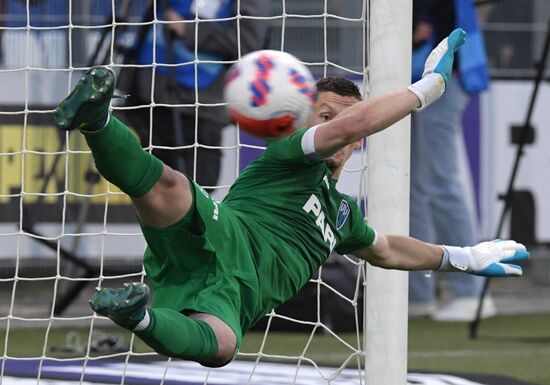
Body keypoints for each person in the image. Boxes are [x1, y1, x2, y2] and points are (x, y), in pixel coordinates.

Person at [53, 29, 528, 368]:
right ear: (301, 120)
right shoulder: (289, 156)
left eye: (342, 122)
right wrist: (429, 88)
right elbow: (352, 123)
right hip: (219, 232)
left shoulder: (343, 216)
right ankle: (96, 120)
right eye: (321, 116)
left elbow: (387, 249)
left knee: (220, 347)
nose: (335, 128)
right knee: (172, 186)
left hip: (234, 294)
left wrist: (463, 257)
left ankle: (137, 316)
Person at [120, 0, 270, 188]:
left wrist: (187, 30)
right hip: (148, 95)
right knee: (151, 188)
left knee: (197, 188)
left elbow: (246, 45)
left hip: (199, 107)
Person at [409, 0, 493, 321]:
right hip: (413, 72)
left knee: (439, 181)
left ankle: (469, 292)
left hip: (445, 73)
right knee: (410, 184)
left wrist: (416, 22)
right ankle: (417, 294)